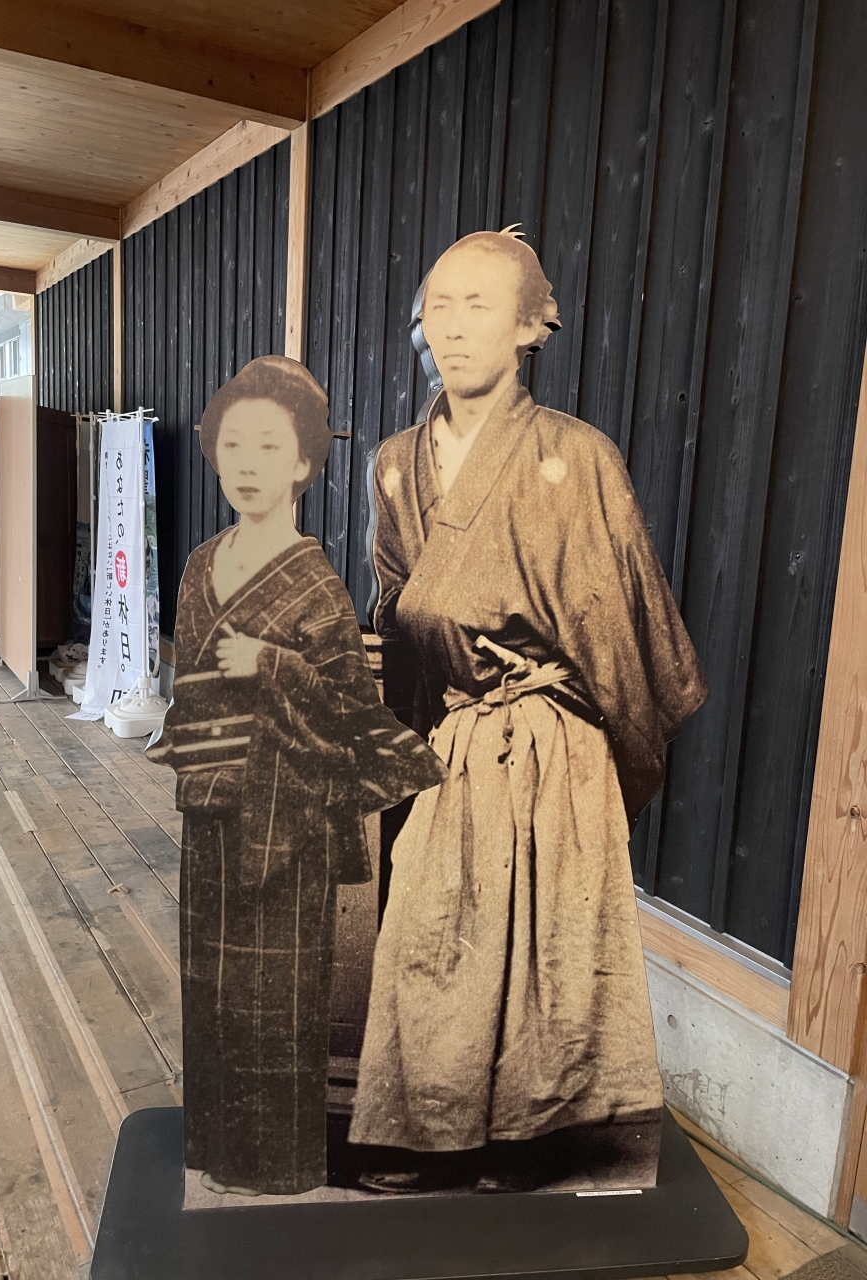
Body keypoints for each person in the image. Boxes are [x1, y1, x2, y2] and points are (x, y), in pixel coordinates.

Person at [348, 231, 708, 1192]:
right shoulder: (395, 464)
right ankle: (426, 1132)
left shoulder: (575, 456)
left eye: (480, 305)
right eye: (440, 305)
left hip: (555, 739)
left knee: (552, 945)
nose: (455, 326)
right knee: (432, 931)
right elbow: (395, 609)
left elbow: (626, 627)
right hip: (457, 731)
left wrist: (617, 758)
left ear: (528, 326)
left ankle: (536, 1142)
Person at [146, 355, 445, 1197]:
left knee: (274, 993)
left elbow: (351, 717)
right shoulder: (200, 564)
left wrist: (274, 666)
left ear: (305, 462)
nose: (248, 464)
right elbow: (190, 683)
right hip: (211, 810)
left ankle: (278, 1166)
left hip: (286, 823)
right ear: (214, 452)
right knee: (212, 986)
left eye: (269, 447)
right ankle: (214, 1149)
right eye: (234, 444)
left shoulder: (315, 584)